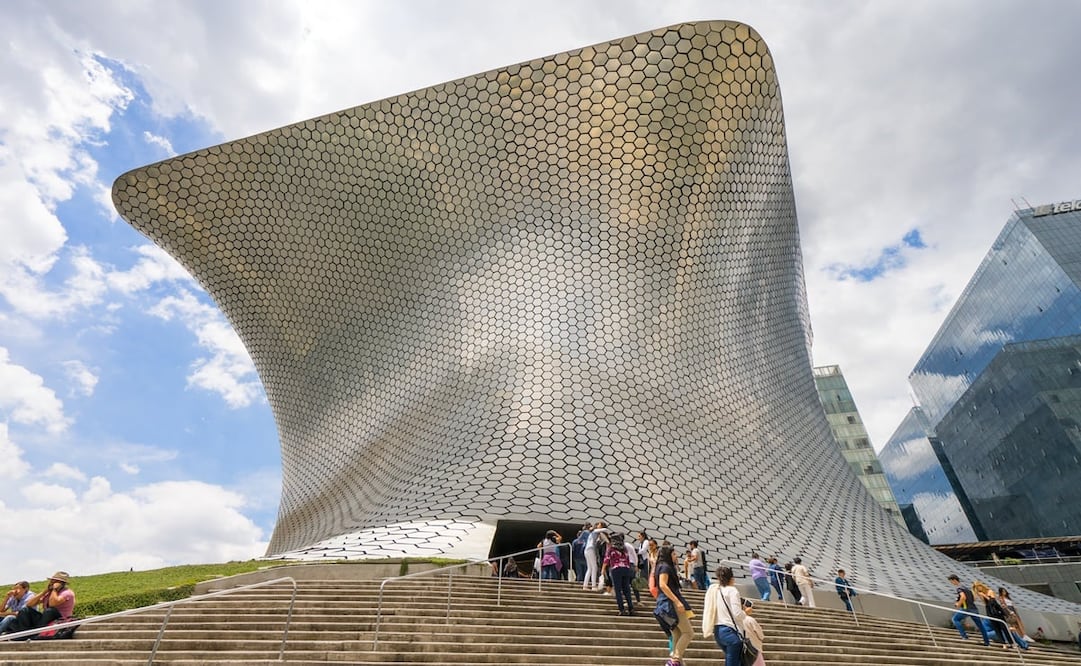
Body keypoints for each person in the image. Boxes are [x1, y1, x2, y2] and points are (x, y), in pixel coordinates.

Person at [653, 545, 693, 666]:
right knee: (688, 633)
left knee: (677, 632)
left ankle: (677, 660)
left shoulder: (659, 566)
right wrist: (677, 601)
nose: (676, 556)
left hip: (663, 603)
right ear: (668, 555)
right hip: (670, 604)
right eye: (674, 554)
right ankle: (675, 659)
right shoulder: (665, 567)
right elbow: (663, 585)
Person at [2, 571, 75, 636]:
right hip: (46, 620)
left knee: (50, 611)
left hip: (60, 619)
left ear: (61, 583)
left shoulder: (67, 593)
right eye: (52, 581)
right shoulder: (49, 593)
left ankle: (37, 633)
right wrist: (44, 592)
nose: (52, 583)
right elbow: (29, 604)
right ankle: (23, 633)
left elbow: (53, 604)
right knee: (25, 610)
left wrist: (54, 589)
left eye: (55, 581)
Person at [702, 565, 745, 666]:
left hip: (718, 631)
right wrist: (746, 613)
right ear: (731, 578)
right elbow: (737, 613)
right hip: (731, 632)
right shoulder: (732, 591)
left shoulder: (716, 591)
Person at [948, 574, 990, 646]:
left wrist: (958, 604)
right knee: (980, 625)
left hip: (966, 608)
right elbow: (973, 599)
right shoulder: (967, 588)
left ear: (954, 580)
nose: (952, 583)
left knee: (955, 619)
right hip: (974, 608)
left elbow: (963, 597)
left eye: (951, 582)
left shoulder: (959, 588)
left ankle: (964, 636)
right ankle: (987, 642)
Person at [601, 532, 636, 616]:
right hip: (626, 569)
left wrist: (602, 569)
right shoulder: (624, 549)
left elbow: (606, 559)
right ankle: (631, 608)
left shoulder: (611, 548)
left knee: (618, 590)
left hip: (616, 569)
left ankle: (622, 609)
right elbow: (628, 559)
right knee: (626, 589)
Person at [584, 521, 610, 592]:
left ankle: (585, 585)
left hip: (587, 550)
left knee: (589, 568)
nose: (598, 525)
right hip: (591, 549)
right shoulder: (595, 531)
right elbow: (605, 530)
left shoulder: (593, 533)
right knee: (594, 567)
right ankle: (593, 586)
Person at [741, 599, 767, 666]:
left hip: (741, 649)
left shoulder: (735, 619)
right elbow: (761, 635)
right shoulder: (750, 620)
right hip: (753, 648)